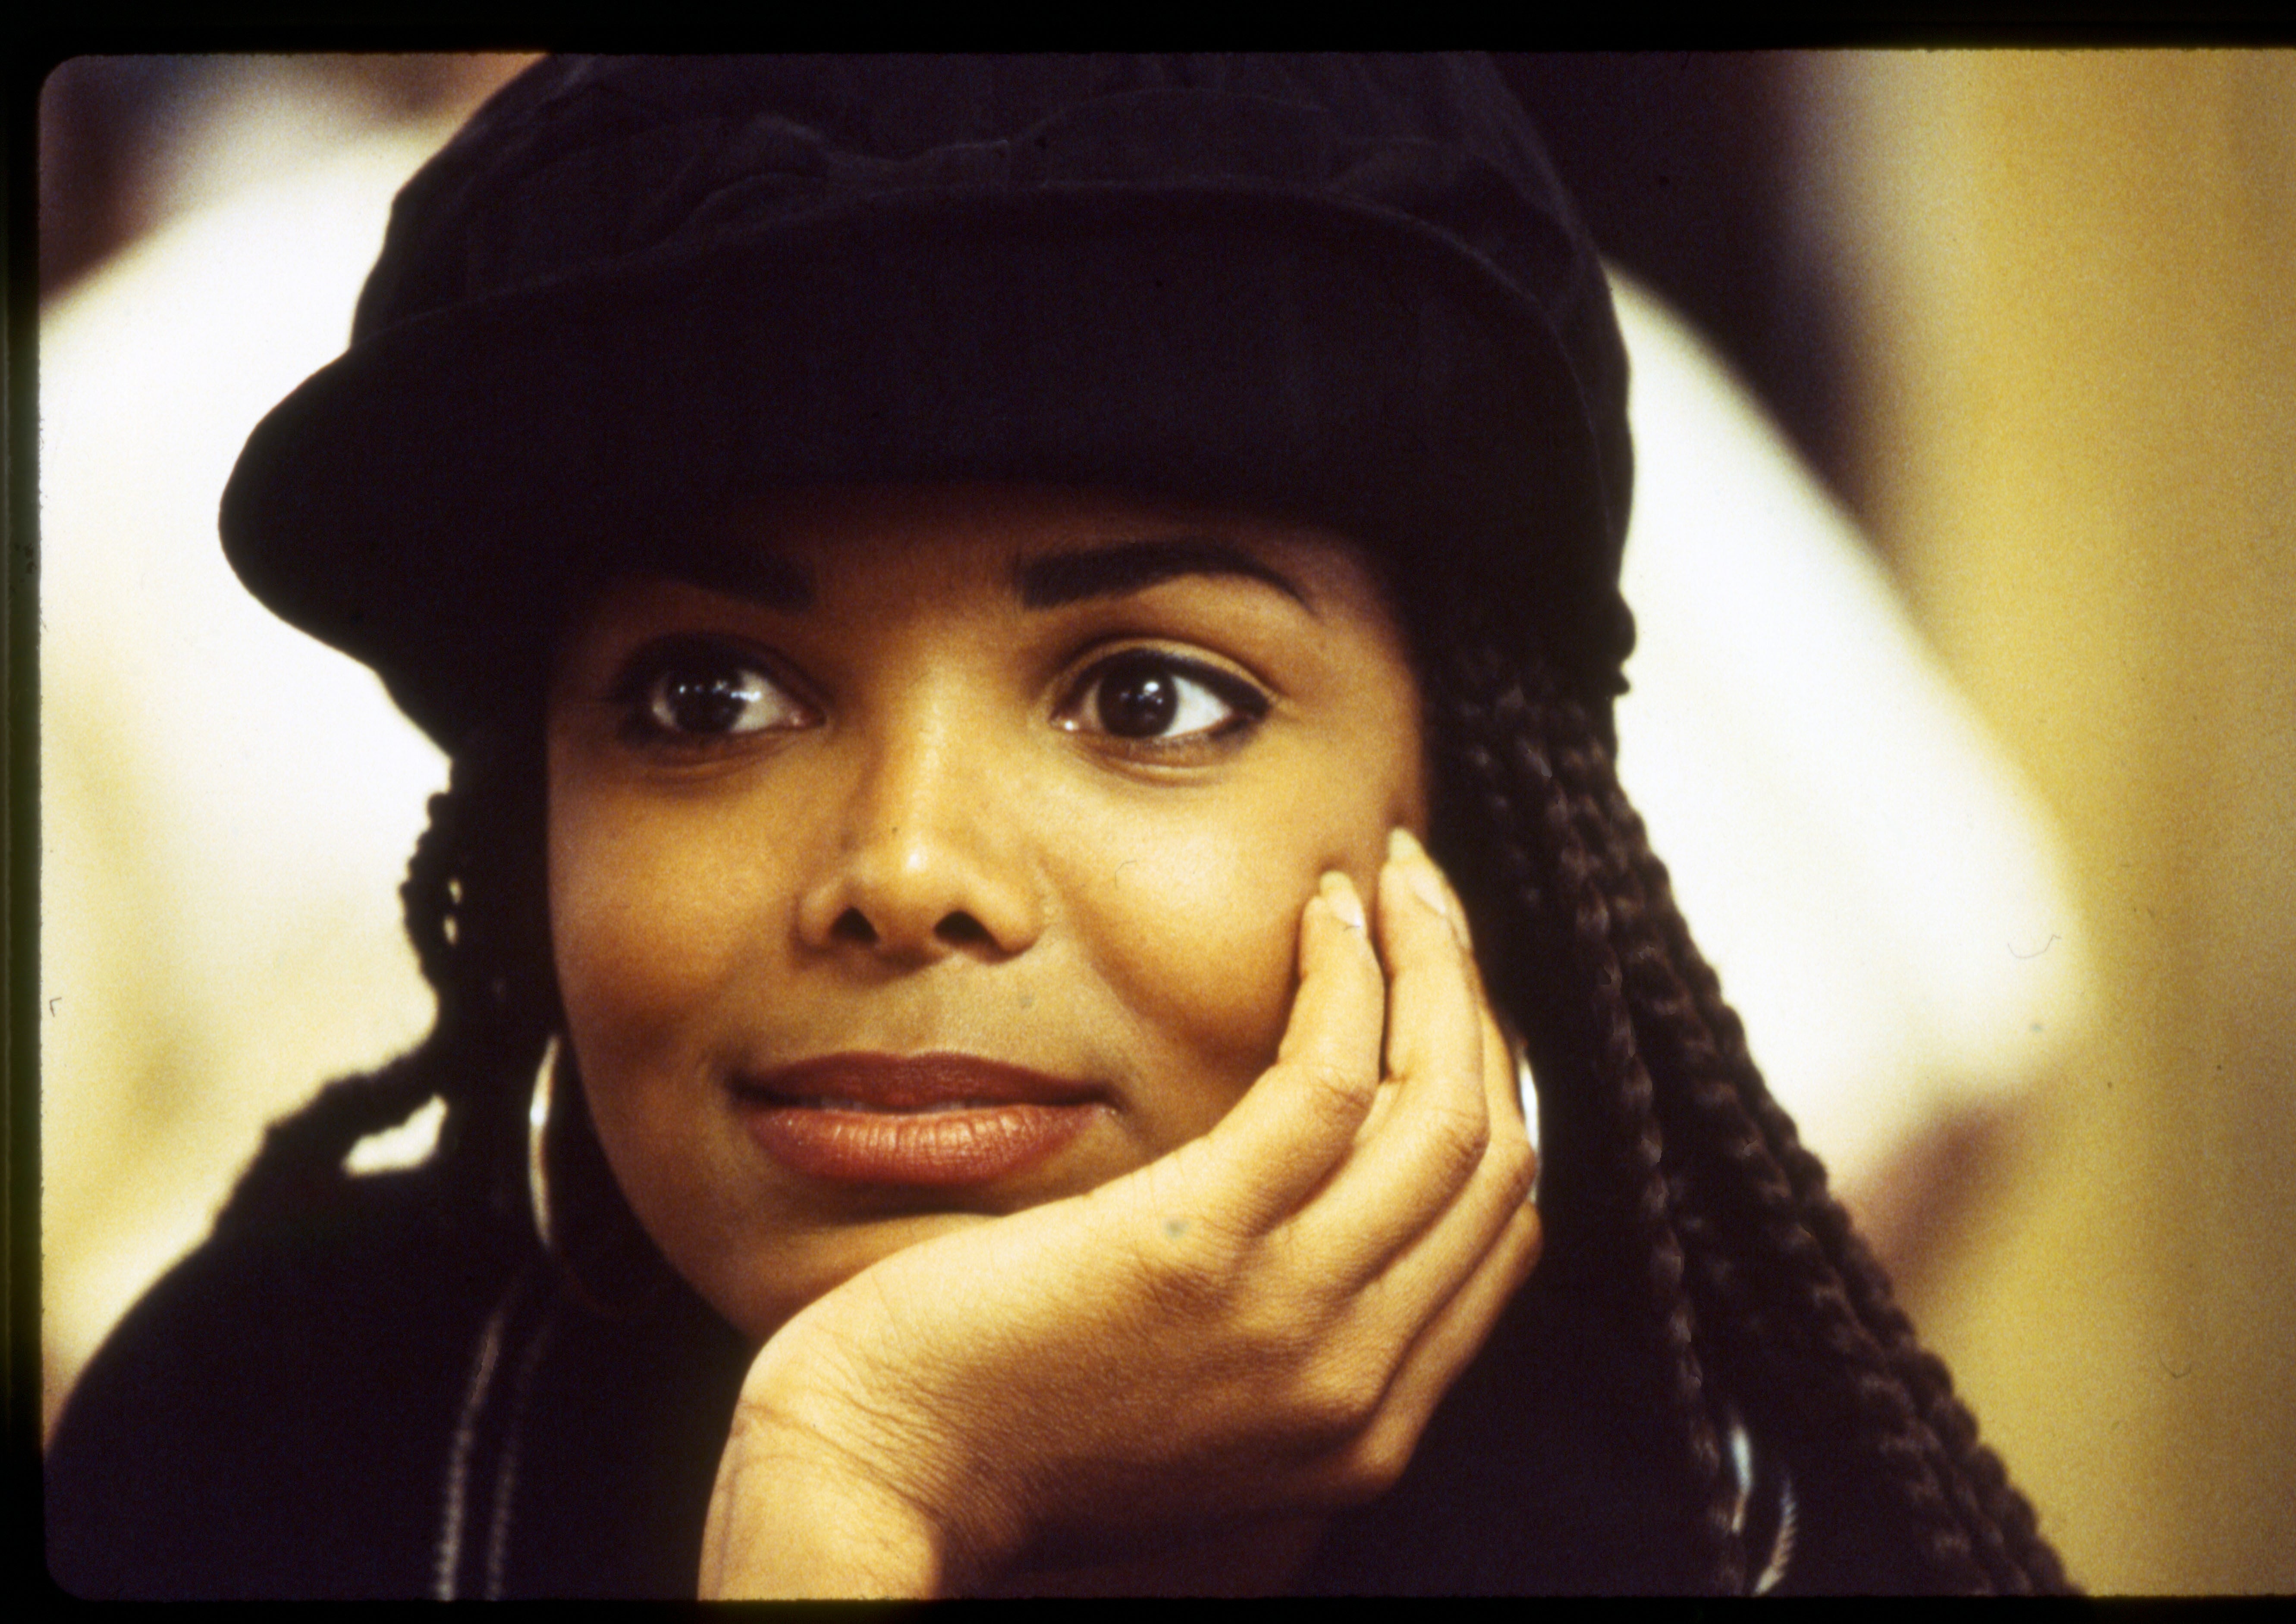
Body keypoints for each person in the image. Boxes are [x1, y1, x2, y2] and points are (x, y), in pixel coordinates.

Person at [43, 55, 2071, 1596]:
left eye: (1147, 699)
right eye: (706, 696)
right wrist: (852, 1484)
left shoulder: (1743, 1535)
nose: (906, 872)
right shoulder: (258, 1460)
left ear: (1450, 820)